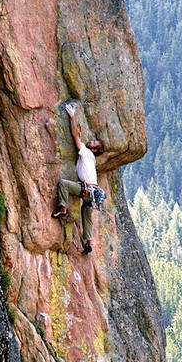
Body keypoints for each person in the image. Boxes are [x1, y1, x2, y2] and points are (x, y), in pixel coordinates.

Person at [53, 103, 105, 254]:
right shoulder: (91, 158)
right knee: (87, 214)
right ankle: (88, 243)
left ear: (94, 149)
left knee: (63, 184)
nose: (91, 141)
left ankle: (62, 208)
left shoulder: (87, 153)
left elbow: (75, 136)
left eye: (94, 143)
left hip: (85, 189)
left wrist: (72, 116)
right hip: (93, 193)